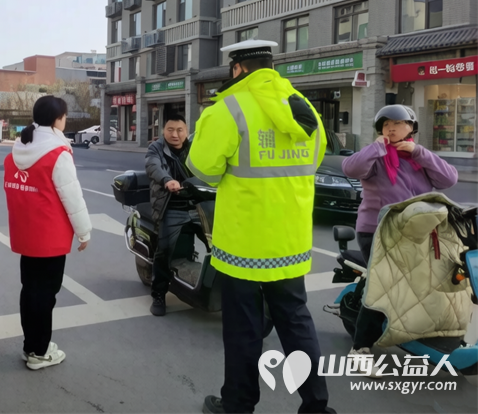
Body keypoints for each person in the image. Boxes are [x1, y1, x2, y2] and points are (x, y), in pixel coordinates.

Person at [188, 39, 334, 414]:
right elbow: (315, 161)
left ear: (238, 68)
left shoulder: (229, 108)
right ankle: (317, 406)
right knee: (297, 321)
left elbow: (202, 169)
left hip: (244, 243)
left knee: (243, 328)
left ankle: (238, 405)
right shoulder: (303, 107)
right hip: (290, 240)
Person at [341, 104, 458, 367]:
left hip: (416, 231)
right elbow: (350, 168)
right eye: (385, 125)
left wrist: (419, 153)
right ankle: (360, 348)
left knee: (428, 281)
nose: (390, 129)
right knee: (384, 285)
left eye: (397, 123)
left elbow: (449, 179)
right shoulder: (376, 158)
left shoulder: (419, 158)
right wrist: (376, 147)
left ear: (411, 128)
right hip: (377, 230)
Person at [4, 96, 92, 370]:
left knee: (30, 290)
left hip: (26, 234)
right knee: (45, 294)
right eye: (64, 117)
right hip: (50, 237)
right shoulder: (57, 153)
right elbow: (72, 197)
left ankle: (31, 345)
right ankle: (39, 352)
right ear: (58, 119)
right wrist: (84, 232)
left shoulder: (19, 149)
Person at [144, 114, 194, 316]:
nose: (175, 134)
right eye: (170, 130)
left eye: (180, 130)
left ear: (186, 131)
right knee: (164, 250)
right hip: (170, 205)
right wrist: (167, 180)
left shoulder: (195, 148)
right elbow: (153, 166)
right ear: (163, 131)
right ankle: (158, 294)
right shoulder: (155, 148)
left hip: (197, 204)